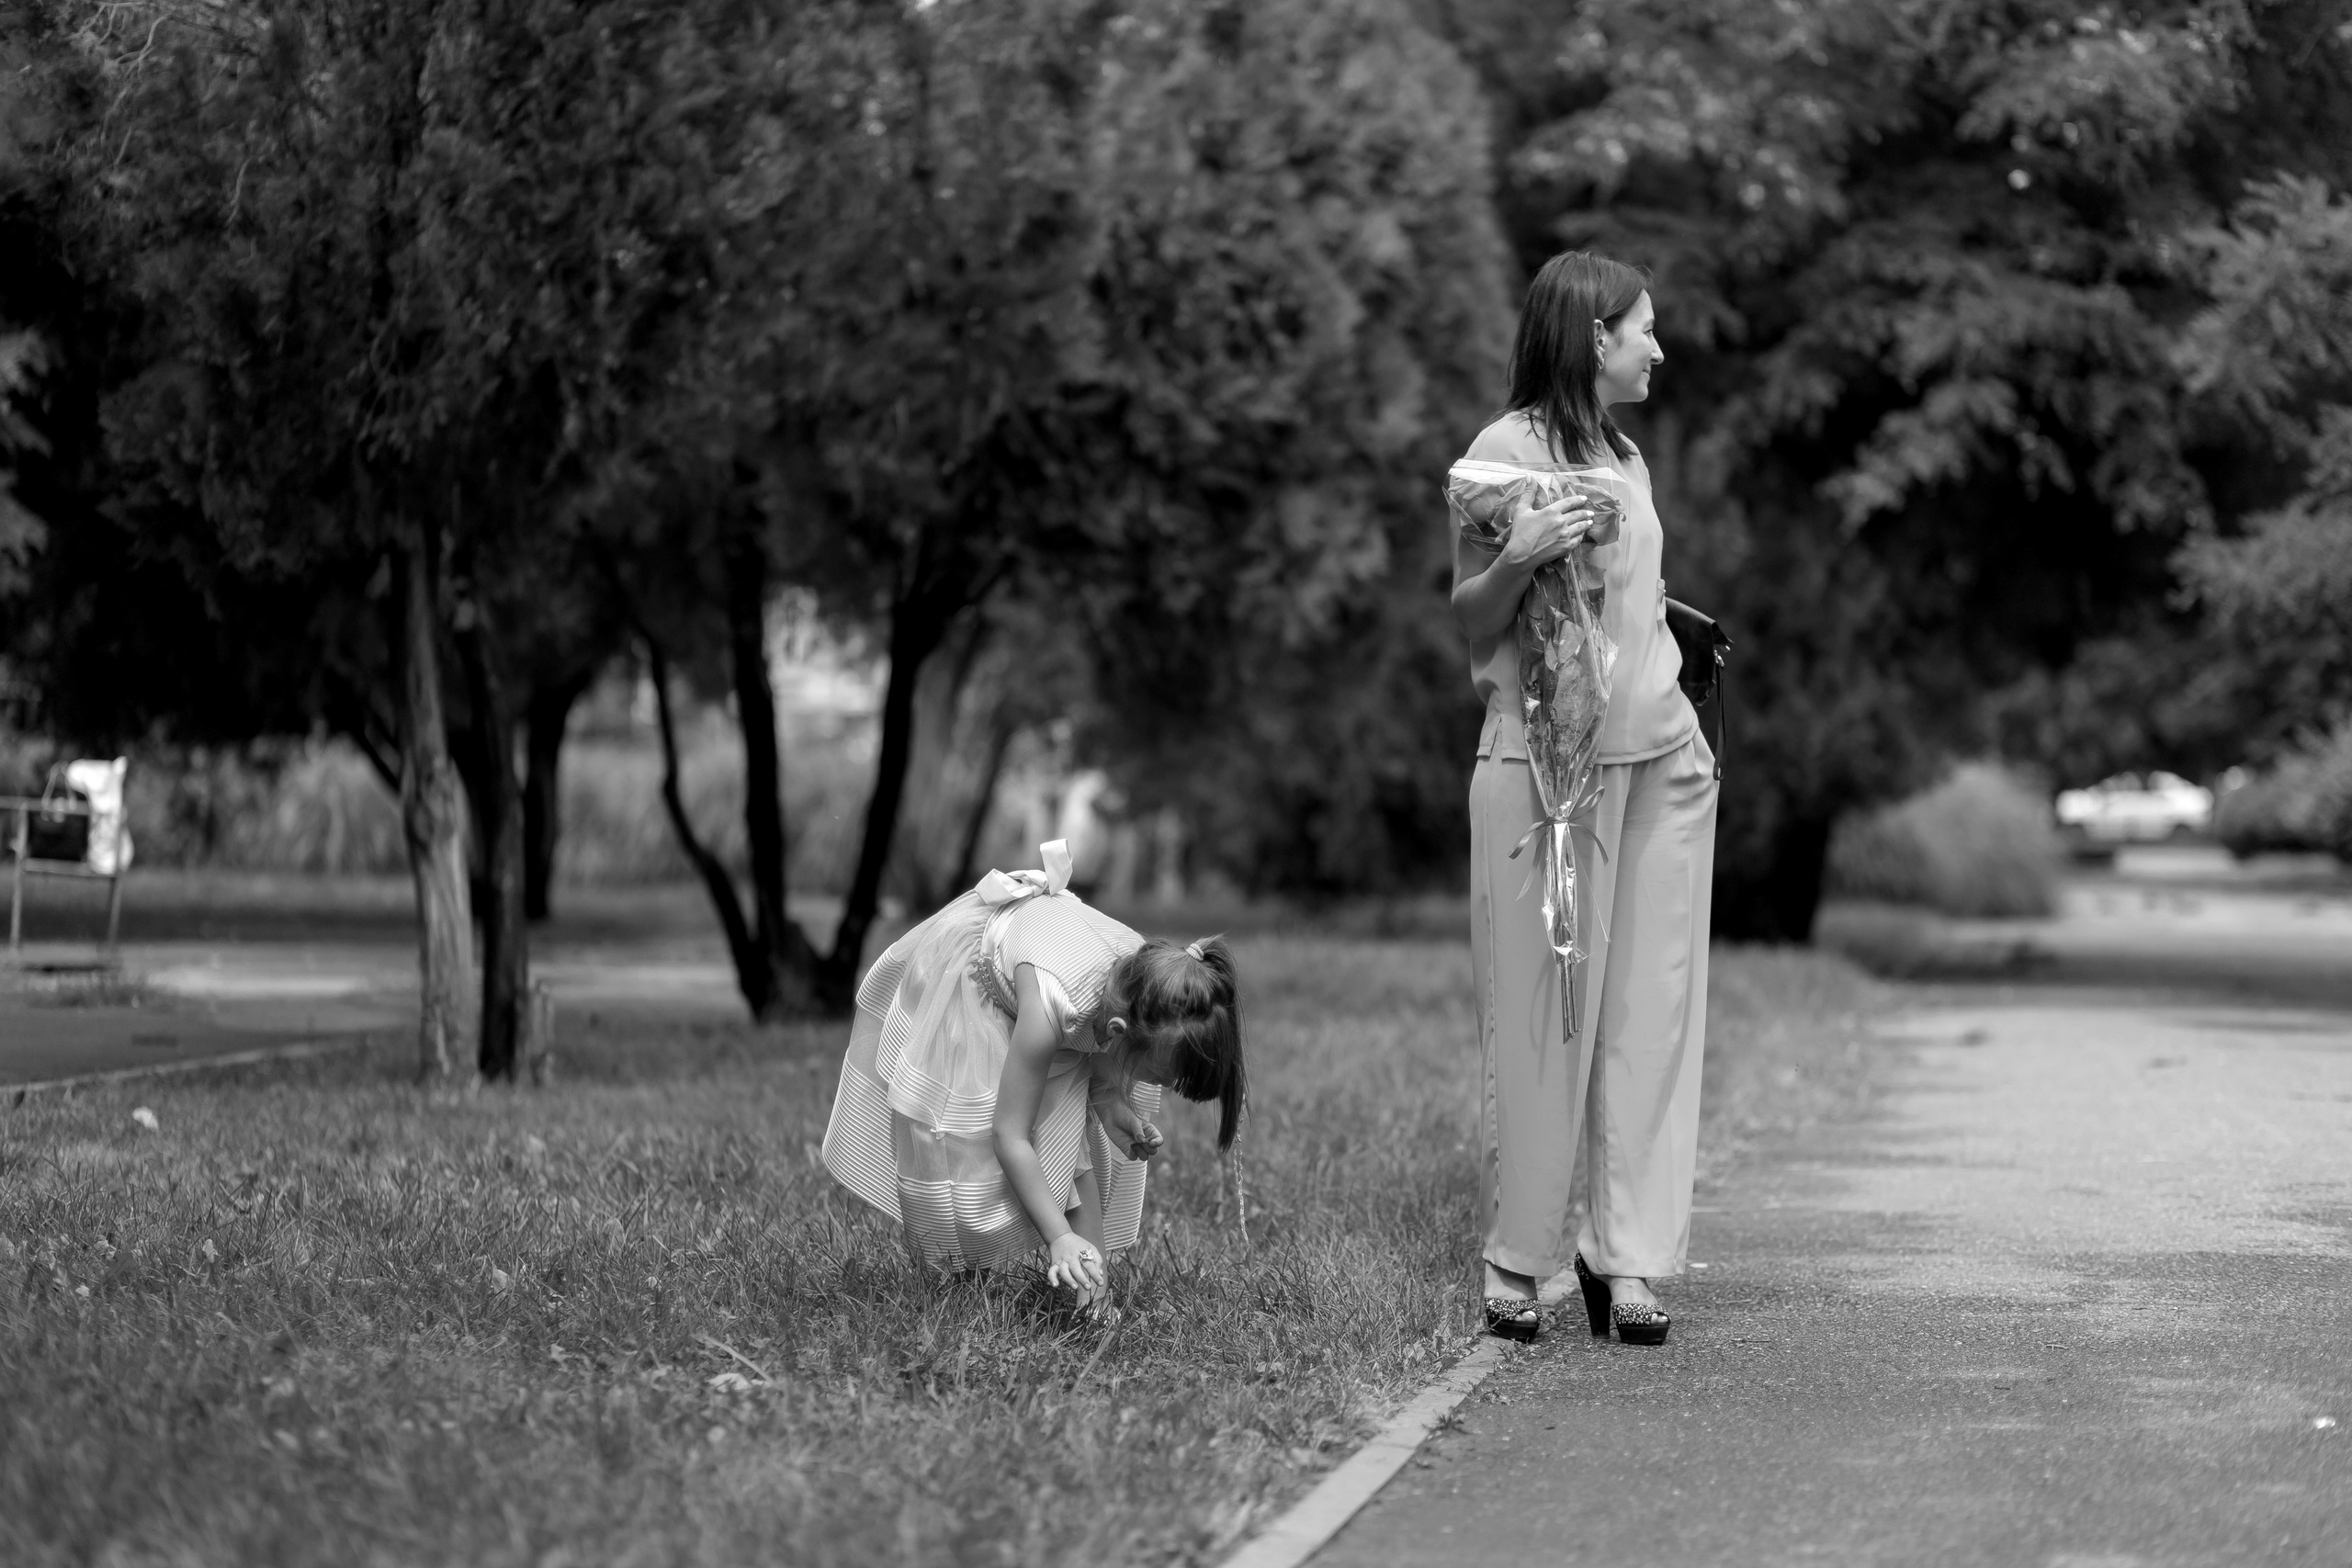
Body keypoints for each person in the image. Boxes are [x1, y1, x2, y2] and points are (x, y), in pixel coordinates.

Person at [1452, 252, 1718, 1345]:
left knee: (1649, 1021)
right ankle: (1517, 1257)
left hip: (1664, 770)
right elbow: (1473, 620)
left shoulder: (1624, 454)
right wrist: (1517, 555)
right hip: (1544, 779)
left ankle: (1627, 1259)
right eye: (1642, 329)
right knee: (1542, 1024)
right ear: (1592, 336)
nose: (1657, 348)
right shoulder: (1502, 454)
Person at [820, 840, 1246, 1314]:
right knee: (963, 1141)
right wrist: (1057, 1236)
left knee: (1072, 1146)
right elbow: (1010, 1136)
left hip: (1056, 976)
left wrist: (1112, 1106)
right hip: (976, 986)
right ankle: (955, 1275)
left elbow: (1102, 1047)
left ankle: (1094, 1304)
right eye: (1159, 1077)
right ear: (1119, 1033)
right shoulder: (1050, 1010)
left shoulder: (1146, 985)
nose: (1159, 1088)